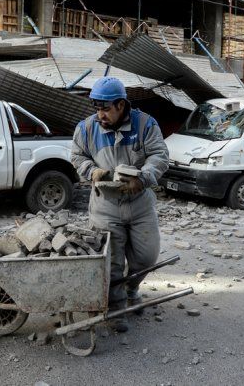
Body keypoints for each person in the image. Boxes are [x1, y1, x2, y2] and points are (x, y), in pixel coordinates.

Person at [70, 77, 169, 333]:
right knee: (110, 260)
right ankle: (115, 308)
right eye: (97, 109)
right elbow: (76, 155)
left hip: (139, 202)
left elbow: (160, 155)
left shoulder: (145, 124)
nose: (100, 115)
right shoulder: (86, 128)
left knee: (147, 256)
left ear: (121, 105)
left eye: (105, 109)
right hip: (106, 204)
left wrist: (144, 178)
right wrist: (91, 170)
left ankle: (132, 288)